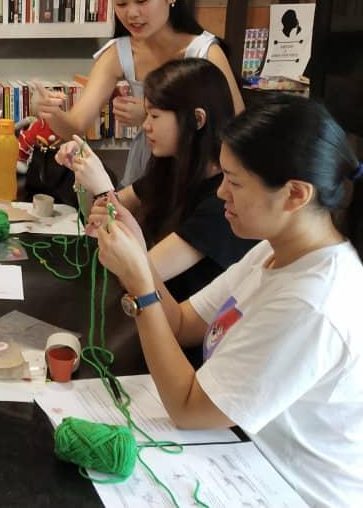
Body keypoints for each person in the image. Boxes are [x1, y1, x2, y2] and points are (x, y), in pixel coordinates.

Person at [94, 94, 363, 506]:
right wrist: (137, 250)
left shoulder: (313, 303)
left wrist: (140, 283)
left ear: (295, 194)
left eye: (235, 182)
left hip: (289, 490)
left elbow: (188, 409)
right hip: (240, 454)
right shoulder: (274, 250)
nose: (221, 193)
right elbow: (182, 323)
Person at [34, 0, 244, 186]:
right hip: (145, 170)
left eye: (142, 0)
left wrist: (147, 113)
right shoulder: (119, 51)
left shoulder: (205, 51)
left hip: (197, 174)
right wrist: (52, 113)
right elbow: (76, 125)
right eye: (121, 3)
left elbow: (236, 128)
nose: (131, 13)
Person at [56, 58, 256, 300]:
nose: (146, 126)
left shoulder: (221, 203)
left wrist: (102, 187)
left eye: (155, 116)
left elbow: (138, 276)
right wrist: (83, 175)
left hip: (174, 317)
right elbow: (97, 216)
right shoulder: (171, 168)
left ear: (197, 119)